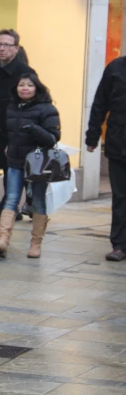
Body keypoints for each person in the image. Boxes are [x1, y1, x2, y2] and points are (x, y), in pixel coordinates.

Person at [0, 73, 60, 259]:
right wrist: (8, 145)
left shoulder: (46, 109)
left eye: (29, 85)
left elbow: (53, 138)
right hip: (15, 161)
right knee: (11, 198)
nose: (25, 88)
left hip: (38, 164)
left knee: (37, 200)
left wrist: (35, 129)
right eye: (21, 84)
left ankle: (36, 244)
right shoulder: (12, 107)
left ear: (37, 88)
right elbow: (9, 132)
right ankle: (3, 239)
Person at [0, 29, 34, 238]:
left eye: (7, 45)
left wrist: (21, 137)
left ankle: (3, 221)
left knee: (12, 186)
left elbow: (33, 107)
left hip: (15, 138)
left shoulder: (26, 73)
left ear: (16, 48)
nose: (2, 48)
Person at [86, 54, 126, 261]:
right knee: (120, 197)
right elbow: (100, 103)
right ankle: (119, 245)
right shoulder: (115, 68)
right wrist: (92, 136)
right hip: (119, 143)